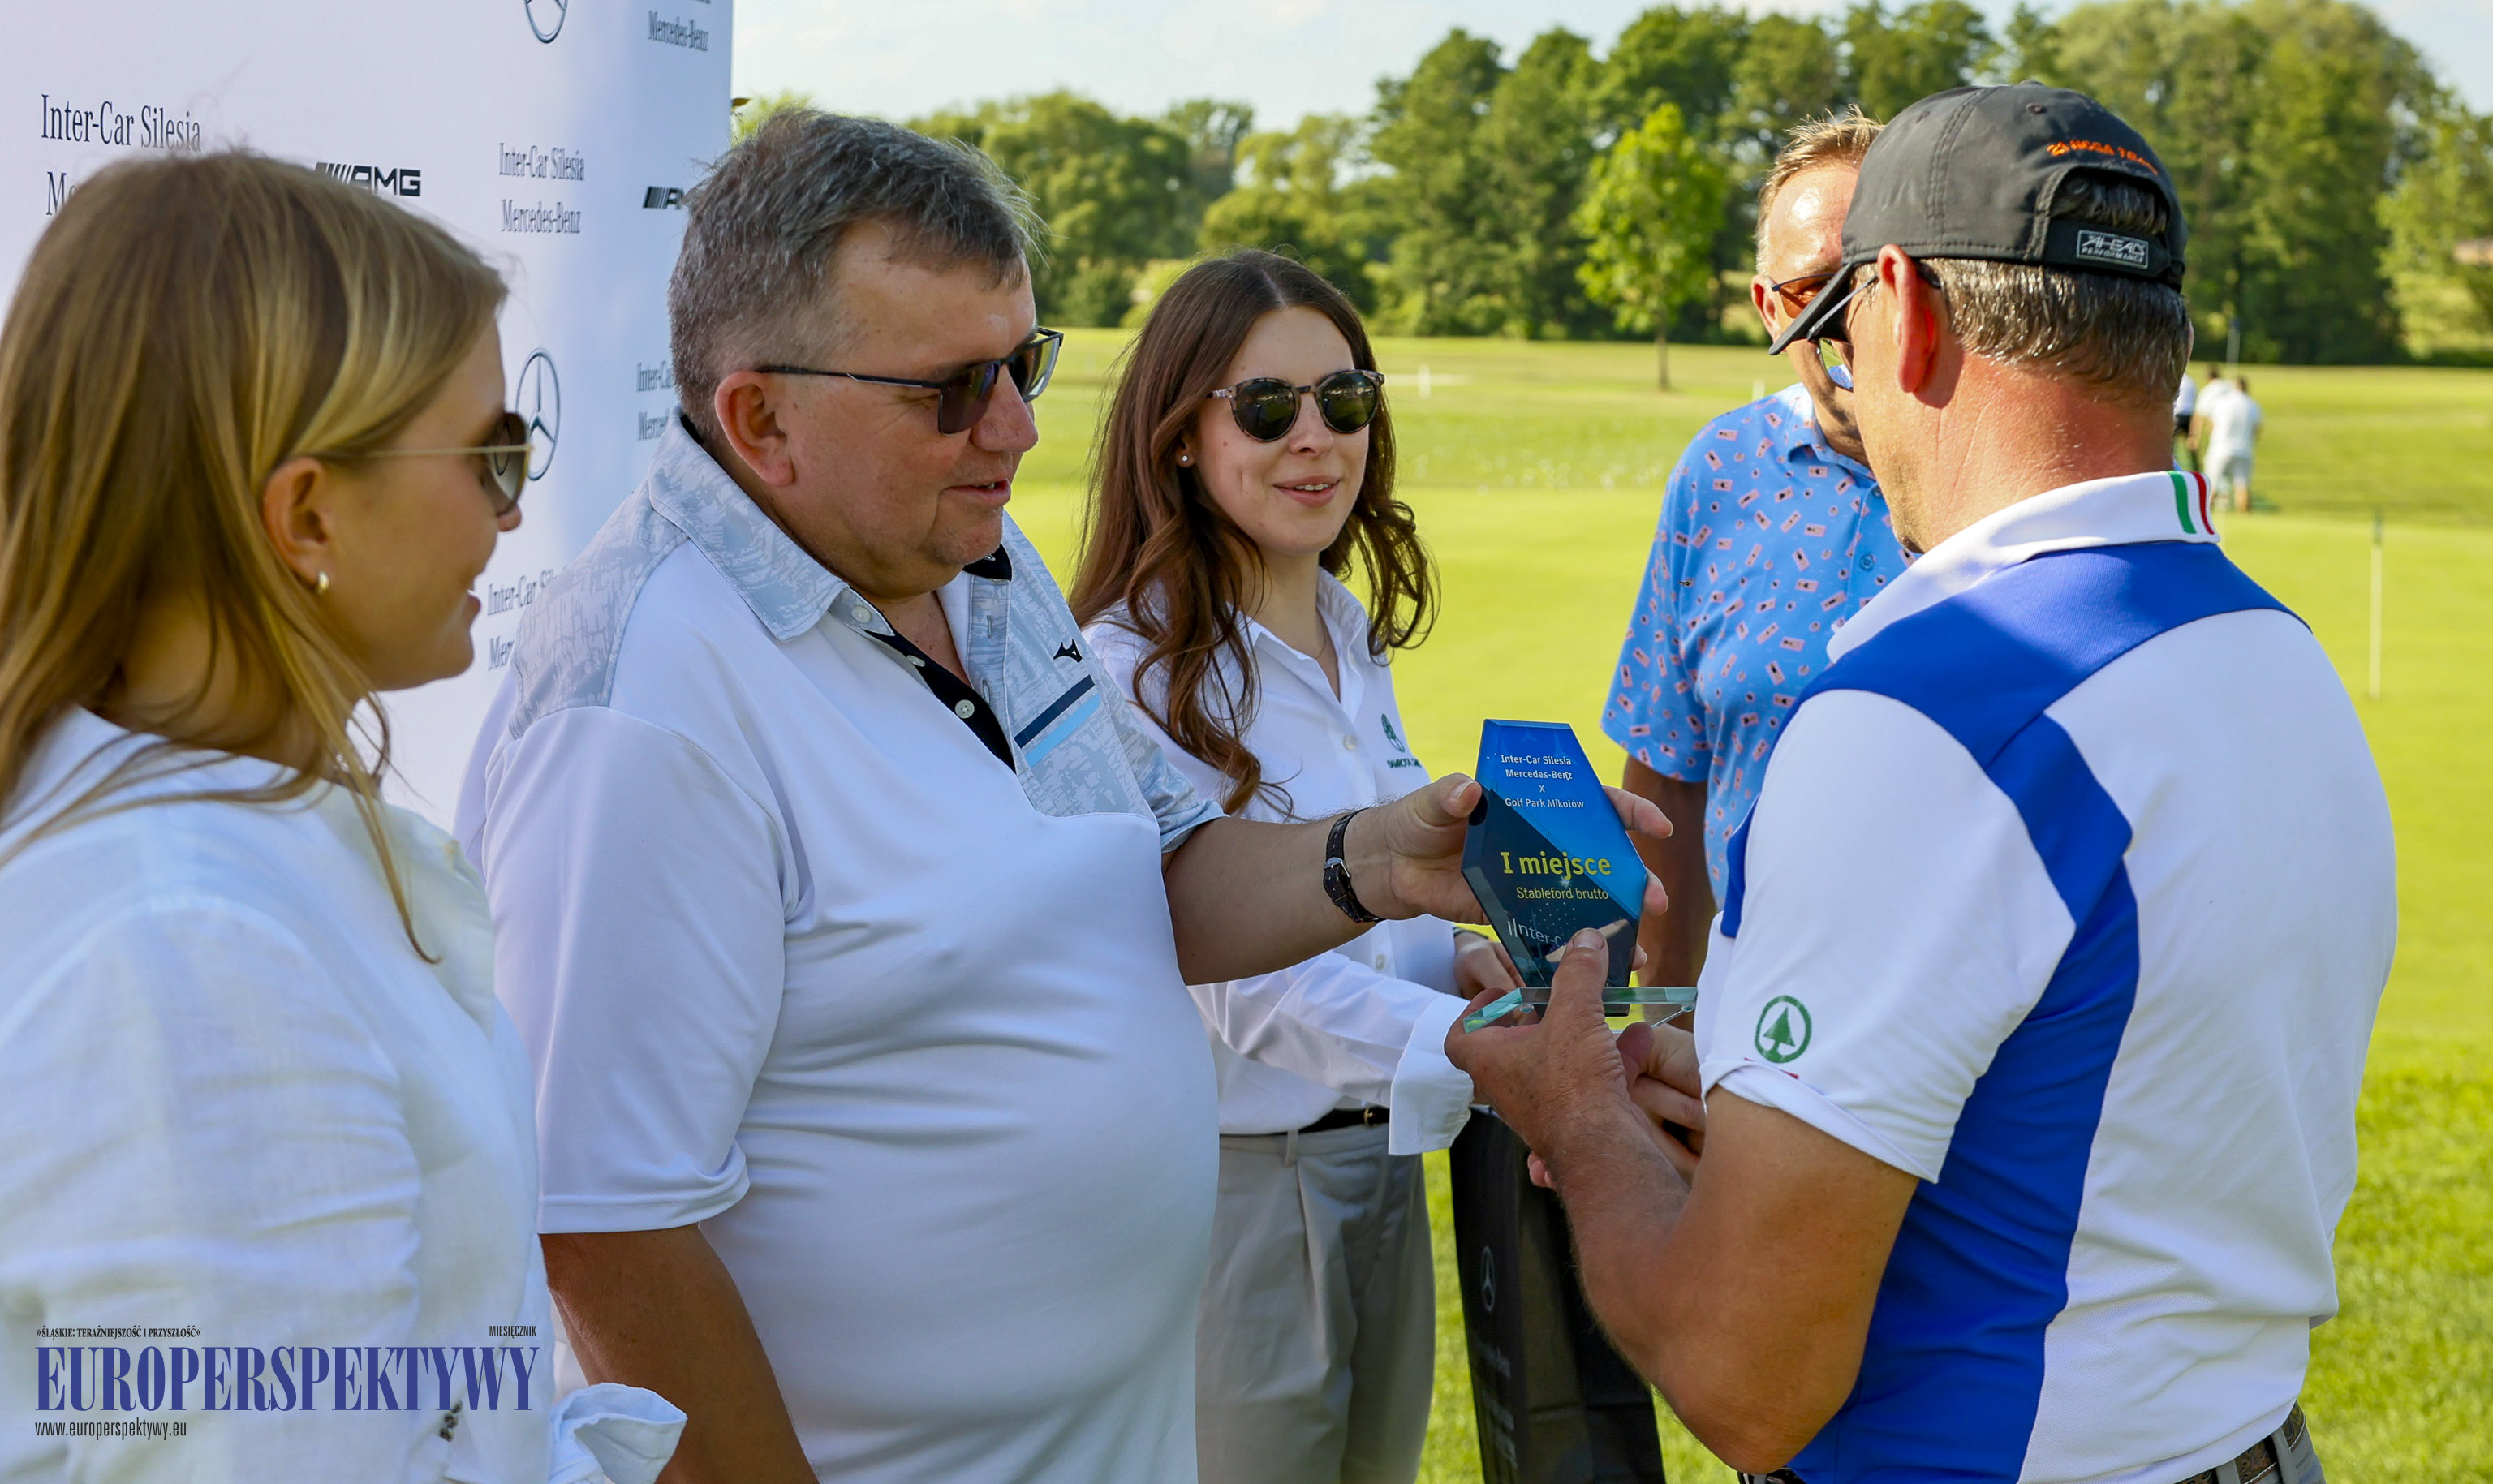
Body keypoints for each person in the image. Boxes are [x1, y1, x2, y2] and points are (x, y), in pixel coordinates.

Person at [457, 113, 1668, 1484]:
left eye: (1023, 364)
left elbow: (1155, 861)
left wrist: (1386, 858)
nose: (1018, 429)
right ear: (760, 419)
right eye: (951, 388)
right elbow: (608, 1226)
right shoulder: (645, 700)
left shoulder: (978, 560)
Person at [1450, 84, 2392, 1484]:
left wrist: (1574, 1108)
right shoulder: (2271, 648)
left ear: (1901, 304)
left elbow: (1744, 1372)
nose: (1837, 367)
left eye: (1839, 323)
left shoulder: (1922, 713)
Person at [0, 153, 679, 1481]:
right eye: (492, 452)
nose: (515, 508)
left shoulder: (207, 856)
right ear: (306, 513)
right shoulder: (192, 943)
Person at [1074, 252, 1513, 1484]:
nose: (1315, 437)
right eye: (1267, 407)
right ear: (1179, 436)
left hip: (1388, 1163)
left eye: (1345, 398)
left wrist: (1471, 958)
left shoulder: (1345, 627)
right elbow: (1233, 975)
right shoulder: (1128, 668)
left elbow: (1376, 905)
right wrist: (1478, 1050)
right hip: (1243, 1195)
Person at [1604, 111, 1909, 985]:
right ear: (1771, 307)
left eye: (1875, 279)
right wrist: (1668, 1015)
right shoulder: (1720, 467)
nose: (1850, 320)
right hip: (1750, 1015)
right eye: (1815, 287)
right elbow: (1668, 773)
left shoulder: (2004, 477)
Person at [2197, 372, 2263, 512]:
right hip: (2244, 450)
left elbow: (2211, 426)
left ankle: (2205, 518)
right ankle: (2244, 519)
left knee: (2212, 486)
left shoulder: (2222, 402)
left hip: (2221, 449)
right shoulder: (2253, 405)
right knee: (2242, 486)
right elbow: (2256, 432)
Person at [2172, 362, 2198, 469]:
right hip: (2189, 416)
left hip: (2177, 415)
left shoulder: (2176, 380)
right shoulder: (2192, 382)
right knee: (2191, 446)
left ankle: (2172, 466)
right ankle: (2195, 467)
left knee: (2172, 446)